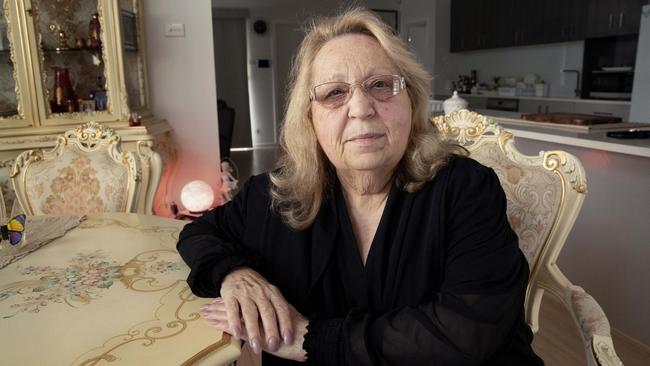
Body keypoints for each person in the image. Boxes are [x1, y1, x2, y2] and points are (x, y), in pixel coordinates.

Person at [178, 8, 544, 366]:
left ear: (412, 101)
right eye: (335, 92)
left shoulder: (467, 189)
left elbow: (468, 331)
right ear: (310, 119)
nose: (360, 108)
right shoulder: (276, 196)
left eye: (381, 85)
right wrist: (235, 273)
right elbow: (199, 232)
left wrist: (313, 339)